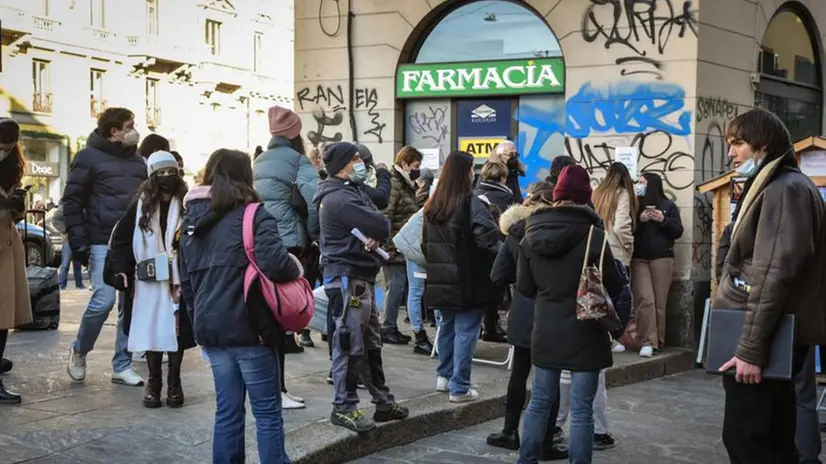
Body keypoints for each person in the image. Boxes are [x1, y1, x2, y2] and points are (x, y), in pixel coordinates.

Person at [714, 108, 826, 463]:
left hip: (765, 337)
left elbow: (774, 274)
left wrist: (750, 350)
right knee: (773, 438)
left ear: (762, 146)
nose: (731, 153)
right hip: (769, 334)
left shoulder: (784, 190)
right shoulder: (779, 186)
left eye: (738, 144)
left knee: (748, 440)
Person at [180, 148, 300, 463]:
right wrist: (296, 267)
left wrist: (200, 326)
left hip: (212, 330)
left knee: (227, 411)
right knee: (267, 412)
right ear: (246, 176)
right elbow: (276, 264)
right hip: (251, 329)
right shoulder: (254, 214)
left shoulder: (190, 223)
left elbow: (188, 286)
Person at [516, 165, 622, 464]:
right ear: (585, 199)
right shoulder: (594, 236)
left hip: (546, 329)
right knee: (582, 409)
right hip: (586, 330)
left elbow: (525, 287)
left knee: (538, 403)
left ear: (557, 197)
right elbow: (614, 283)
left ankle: (526, 460)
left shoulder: (531, 234)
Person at [313, 142, 409, 433]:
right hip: (347, 279)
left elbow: (377, 217)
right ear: (342, 164)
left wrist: (375, 233)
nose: (361, 163)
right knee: (348, 343)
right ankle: (343, 407)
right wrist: (375, 231)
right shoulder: (339, 198)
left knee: (369, 344)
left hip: (358, 277)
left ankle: (382, 400)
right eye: (355, 158)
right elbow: (380, 222)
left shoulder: (350, 192)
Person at [63, 107, 148, 386]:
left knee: (131, 304)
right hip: (101, 240)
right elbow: (72, 201)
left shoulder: (138, 161)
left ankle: (122, 364)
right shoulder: (87, 157)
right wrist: (78, 242)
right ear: (115, 131)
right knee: (104, 300)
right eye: (130, 125)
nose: (134, 130)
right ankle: (79, 349)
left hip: (133, 242)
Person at [103, 152, 195, 409]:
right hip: (148, 280)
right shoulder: (140, 205)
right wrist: (121, 270)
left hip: (177, 278)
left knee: (177, 331)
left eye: (171, 172)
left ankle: (174, 380)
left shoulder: (186, 203)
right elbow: (121, 239)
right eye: (161, 173)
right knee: (154, 329)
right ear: (153, 176)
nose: (167, 178)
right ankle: (155, 381)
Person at [487, 181, 567, 460]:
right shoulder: (563, 232)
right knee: (550, 378)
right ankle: (546, 439)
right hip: (553, 310)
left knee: (519, 372)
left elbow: (497, 275)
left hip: (523, 308)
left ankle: (510, 431)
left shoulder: (515, 232)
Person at [423, 151, 502, 403]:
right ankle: (460, 385)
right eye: (471, 169)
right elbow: (488, 238)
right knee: (467, 331)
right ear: (465, 173)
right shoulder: (472, 203)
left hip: (439, 279)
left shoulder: (432, 204)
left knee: (446, 327)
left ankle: (444, 377)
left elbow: (424, 244)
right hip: (468, 279)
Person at [253, 106, 318, 409]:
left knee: (268, 319)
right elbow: (317, 201)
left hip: (260, 245)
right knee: (283, 318)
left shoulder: (258, 161)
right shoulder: (297, 161)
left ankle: (272, 388)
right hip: (289, 246)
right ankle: (276, 391)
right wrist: (315, 234)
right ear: (295, 133)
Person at [631, 172, 683, 358]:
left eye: (643, 182)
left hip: (662, 257)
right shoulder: (635, 205)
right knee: (645, 299)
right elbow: (628, 229)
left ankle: (658, 341)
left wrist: (663, 220)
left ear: (653, 185)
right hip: (639, 257)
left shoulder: (668, 205)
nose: (639, 185)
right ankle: (647, 341)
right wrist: (641, 221)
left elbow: (677, 231)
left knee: (660, 302)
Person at [0, 118, 33, 404]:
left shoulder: (11, 166)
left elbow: (15, 215)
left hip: (6, 245)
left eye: (9, 147)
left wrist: (17, 205)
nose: (5, 151)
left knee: (2, 318)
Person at [380, 146, 423, 345]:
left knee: (398, 287)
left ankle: (390, 326)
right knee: (395, 287)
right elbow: (387, 215)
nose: (418, 169)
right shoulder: (395, 184)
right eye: (415, 165)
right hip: (393, 246)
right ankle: (387, 327)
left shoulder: (406, 184)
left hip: (399, 245)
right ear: (404, 163)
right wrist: (389, 245)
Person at [474, 160, 516, 343]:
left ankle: (488, 324)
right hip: (499, 246)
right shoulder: (506, 197)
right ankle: (492, 326)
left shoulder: (475, 194)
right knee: (498, 288)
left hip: (480, 248)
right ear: (502, 178)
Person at [52, 203, 85, 290]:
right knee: (66, 264)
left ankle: (79, 284)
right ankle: (62, 285)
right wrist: (65, 230)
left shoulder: (79, 205)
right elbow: (55, 219)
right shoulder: (65, 206)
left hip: (77, 238)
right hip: (68, 239)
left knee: (77, 264)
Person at [355, 143, 392, 209]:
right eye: (366, 168)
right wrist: (382, 172)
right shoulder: (352, 186)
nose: (365, 173)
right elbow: (381, 198)